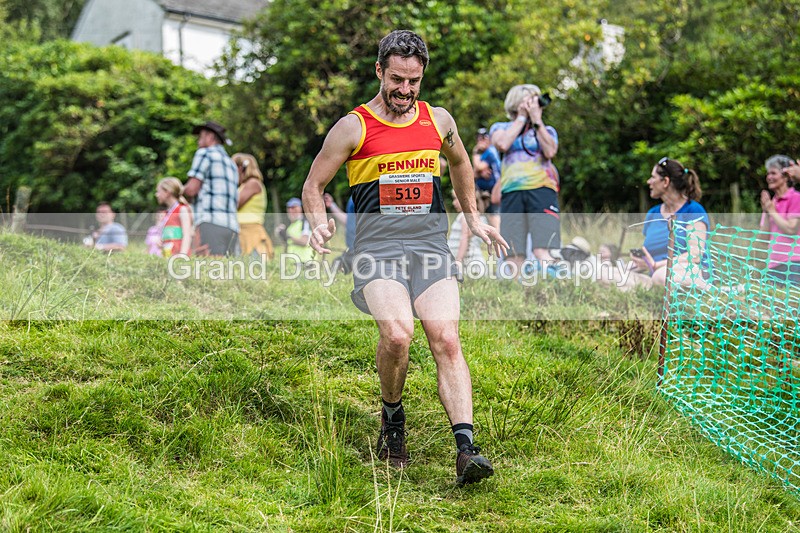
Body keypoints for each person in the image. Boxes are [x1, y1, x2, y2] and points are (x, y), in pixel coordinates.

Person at [301, 29, 507, 486]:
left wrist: (472, 217)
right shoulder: (353, 126)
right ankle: (392, 421)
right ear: (379, 71)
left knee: (446, 340)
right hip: (376, 251)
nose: (405, 90)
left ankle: (466, 449)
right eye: (397, 79)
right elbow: (313, 185)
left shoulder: (439, 121)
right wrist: (317, 223)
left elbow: (459, 164)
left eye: (414, 81)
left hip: (430, 248)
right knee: (398, 335)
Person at [603, 157, 710, 290]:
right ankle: (647, 288)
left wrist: (656, 265)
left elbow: (695, 256)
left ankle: (646, 287)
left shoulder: (693, 210)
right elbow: (649, 253)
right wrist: (642, 261)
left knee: (661, 276)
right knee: (604, 274)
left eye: (653, 177)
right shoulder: (653, 213)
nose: (649, 182)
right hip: (655, 272)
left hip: (689, 270)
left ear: (665, 181)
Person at [490, 84, 560, 276]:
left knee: (542, 249)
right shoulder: (500, 128)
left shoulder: (546, 130)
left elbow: (551, 151)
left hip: (542, 190)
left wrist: (537, 120)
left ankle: (558, 287)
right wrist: (521, 118)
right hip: (512, 192)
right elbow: (503, 144)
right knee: (513, 251)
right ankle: (517, 297)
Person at [183, 120, 239, 256]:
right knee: (227, 271)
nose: (198, 142)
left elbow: (191, 190)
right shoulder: (231, 164)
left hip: (210, 223)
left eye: (200, 137)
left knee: (209, 271)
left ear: (210, 137)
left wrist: (179, 192)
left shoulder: (205, 154)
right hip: (231, 227)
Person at [759, 154, 800, 284]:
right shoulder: (771, 203)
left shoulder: (796, 198)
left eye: (773, 173)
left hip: (794, 263)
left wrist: (772, 211)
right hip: (773, 265)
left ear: (785, 176)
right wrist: (766, 210)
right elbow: (763, 238)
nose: (769, 177)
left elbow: (791, 229)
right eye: (768, 174)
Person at [233, 153, 274, 260]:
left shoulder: (253, 183)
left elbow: (235, 203)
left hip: (250, 232)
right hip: (243, 230)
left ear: (241, 168)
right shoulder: (243, 185)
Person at [448, 189, 487, 274]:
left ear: (466, 199)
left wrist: (458, 261)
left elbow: (465, 238)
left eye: (456, 199)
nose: (453, 203)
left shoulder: (465, 216)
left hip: (469, 263)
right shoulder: (474, 216)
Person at [155, 177, 194, 257]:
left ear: (167, 192)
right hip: (168, 256)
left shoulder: (182, 209)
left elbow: (187, 234)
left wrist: (182, 255)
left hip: (179, 257)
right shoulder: (166, 213)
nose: (156, 195)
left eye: (158, 191)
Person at [471, 127, 501, 230]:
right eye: (479, 139)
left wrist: (475, 152)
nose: (481, 141)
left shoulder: (490, 152)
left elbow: (478, 167)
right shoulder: (484, 154)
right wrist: (479, 173)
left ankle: (503, 243)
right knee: (487, 218)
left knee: (494, 218)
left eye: (483, 138)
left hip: (493, 190)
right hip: (485, 192)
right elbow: (474, 173)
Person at [276, 197, 314, 265]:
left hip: (306, 262)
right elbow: (288, 244)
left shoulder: (305, 222)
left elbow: (304, 242)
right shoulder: (290, 227)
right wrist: (281, 235)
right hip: (293, 263)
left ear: (300, 208)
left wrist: (287, 236)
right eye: (289, 208)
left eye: (294, 207)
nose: (291, 210)